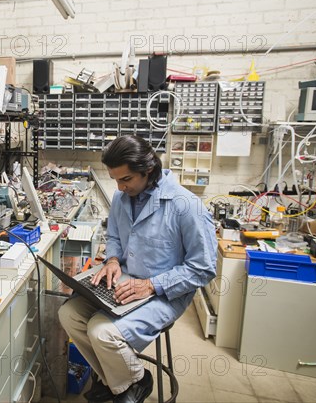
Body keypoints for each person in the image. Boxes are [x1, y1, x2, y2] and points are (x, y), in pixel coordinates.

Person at [59, 135, 217, 403]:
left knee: (101, 330)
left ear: (149, 171)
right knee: (69, 313)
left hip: (165, 292)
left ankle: (138, 378)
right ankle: (120, 382)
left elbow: (203, 268)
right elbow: (115, 238)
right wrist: (111, 260)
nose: (119, 188)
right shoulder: (122, 198)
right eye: (116, 180)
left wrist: (150, 286)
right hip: (125, 281)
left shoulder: (186, 206)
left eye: (126, 180)